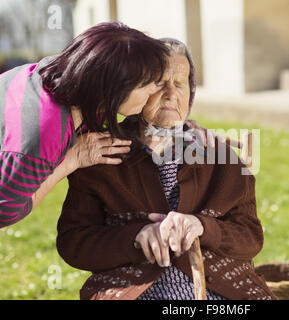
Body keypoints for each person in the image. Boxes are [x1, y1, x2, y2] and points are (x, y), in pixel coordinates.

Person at [56, 38, 276, 300]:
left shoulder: (221, 158)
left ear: (190, 92)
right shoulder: (100, 154)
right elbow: (74, 242)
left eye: (180, 84)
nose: (171, 94)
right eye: (160, 83)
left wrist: (202, 226)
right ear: (136, 90)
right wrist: (135, 237)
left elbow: (250, 237)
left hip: (220, 291)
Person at [0, 22, 208, 228]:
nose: (156, 90)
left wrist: (178, 127)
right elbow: (5, 213)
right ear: (115, 91)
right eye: (149, 83)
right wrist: (73, 159)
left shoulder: (67, 73)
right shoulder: (41, 135)